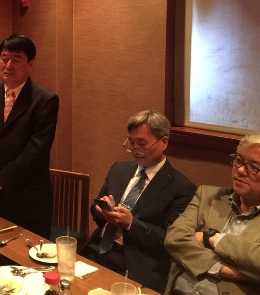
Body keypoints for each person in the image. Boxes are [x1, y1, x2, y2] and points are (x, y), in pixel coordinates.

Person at [80, 110, 196, 293]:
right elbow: (95, 209)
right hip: (96, 249)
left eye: (142, 144)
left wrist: (131, 224)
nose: (135, 150)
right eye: (131, 143)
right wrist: (101, 211)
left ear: (164, 142)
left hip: (134, 262)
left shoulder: (181, 188)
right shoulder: (119, 169)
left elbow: (169, 240)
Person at [0, 34, 59, 239]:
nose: (8, 65)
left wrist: (3, 179)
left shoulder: (45, 100)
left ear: (30, 64)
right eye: (4, 58)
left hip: (28, 198)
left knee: (28, 255)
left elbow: (36, 149)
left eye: (16, 59)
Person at [164, 134, 260, 294]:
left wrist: (212, 238)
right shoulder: (207, 196)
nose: (241, 170)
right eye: (238, 161)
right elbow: (175, 238)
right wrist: (221, 268)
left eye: (254, 167)